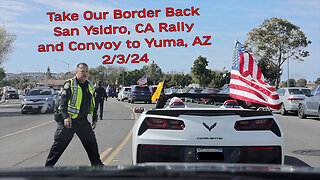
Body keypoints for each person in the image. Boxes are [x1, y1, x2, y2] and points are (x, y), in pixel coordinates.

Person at [45, 62, 103, 167]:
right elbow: (63, 103)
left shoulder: (89, 86)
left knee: (91, 144)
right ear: (76, 72)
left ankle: (98, 167)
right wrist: (66, 117)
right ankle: (47, 168)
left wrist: (95, 118)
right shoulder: (70, 84)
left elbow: (93, 103)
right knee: (59, 145)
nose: (85, 74)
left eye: (86, 71)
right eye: (82, 71)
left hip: (82, 121)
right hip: (68, 121)